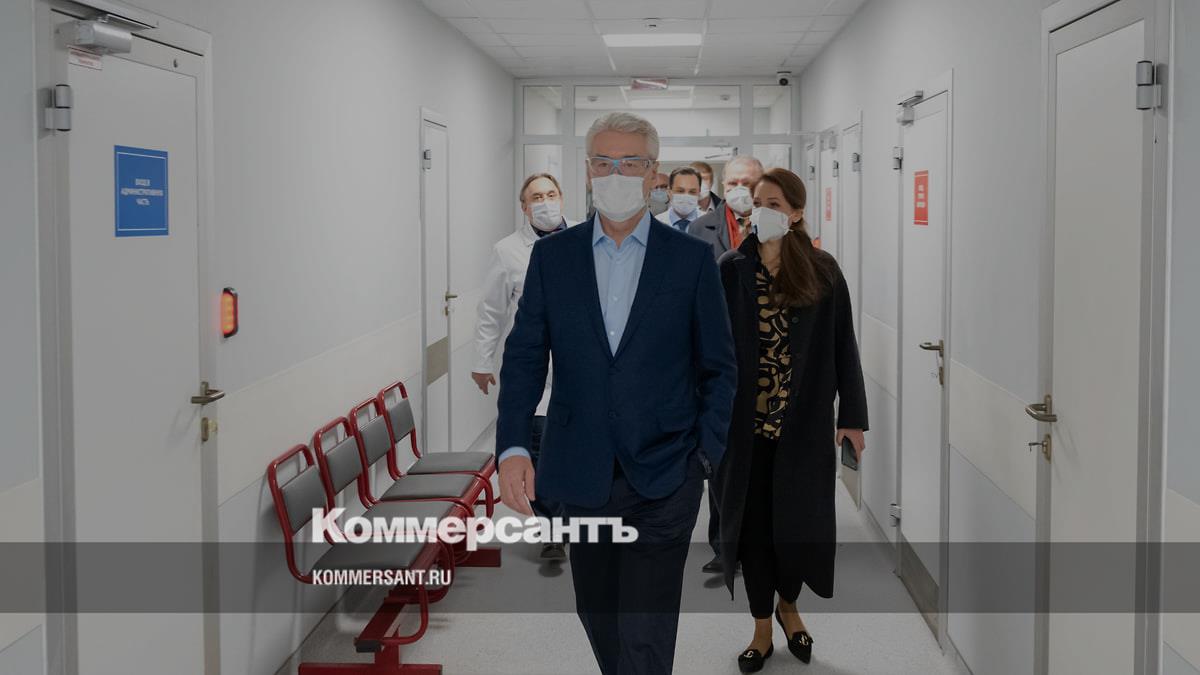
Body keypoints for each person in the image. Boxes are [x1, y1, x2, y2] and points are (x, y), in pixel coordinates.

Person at [496, 111, 737, 675]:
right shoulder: (554, 258)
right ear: (587, 171)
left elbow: (720, 367)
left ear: (654, 173)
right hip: (581, 471)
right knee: (600, 613)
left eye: (631, 162)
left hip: (666, 474)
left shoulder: (690, 260)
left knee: (645, 630)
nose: (616, 173)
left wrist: (704, 456)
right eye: (603, 162)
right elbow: (525, 357)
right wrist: (513, 447)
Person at [714, 167, 868, 672]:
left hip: (801, 429)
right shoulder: (732, 268)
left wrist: (853, 417)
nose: (762, 211)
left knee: (797, 527)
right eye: (758, 202)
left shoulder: (822, 270)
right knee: (753, 530)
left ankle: (790, 607)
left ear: (797, 213)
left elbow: (844, 345)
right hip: (745, 432)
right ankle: (762, 626)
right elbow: (712, 350)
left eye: (775, 204)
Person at [472, 172, 572, 559]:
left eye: (551, 194)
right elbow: (492, 311)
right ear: (524, 207)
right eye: (536, 197)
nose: (545, 202)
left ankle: (574, 518)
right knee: (540, 449)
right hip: (534, 370)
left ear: (562, 197)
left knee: (574, 448)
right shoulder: (507, 250)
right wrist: (482, 361)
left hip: (578, 367)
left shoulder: (585, 237)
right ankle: (552, 530)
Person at [688, 156, 764, 262]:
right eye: (732, 183)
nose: (739, 189)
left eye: (746, 183)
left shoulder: (777, 223)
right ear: (724, 185)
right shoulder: (699, 228)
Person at [654, 166, 702, 232]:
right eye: (680, 191)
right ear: (669, 192)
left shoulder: (711, 222)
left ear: (699, 193)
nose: (686, 197)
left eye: (692, 192)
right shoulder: (655, 223)